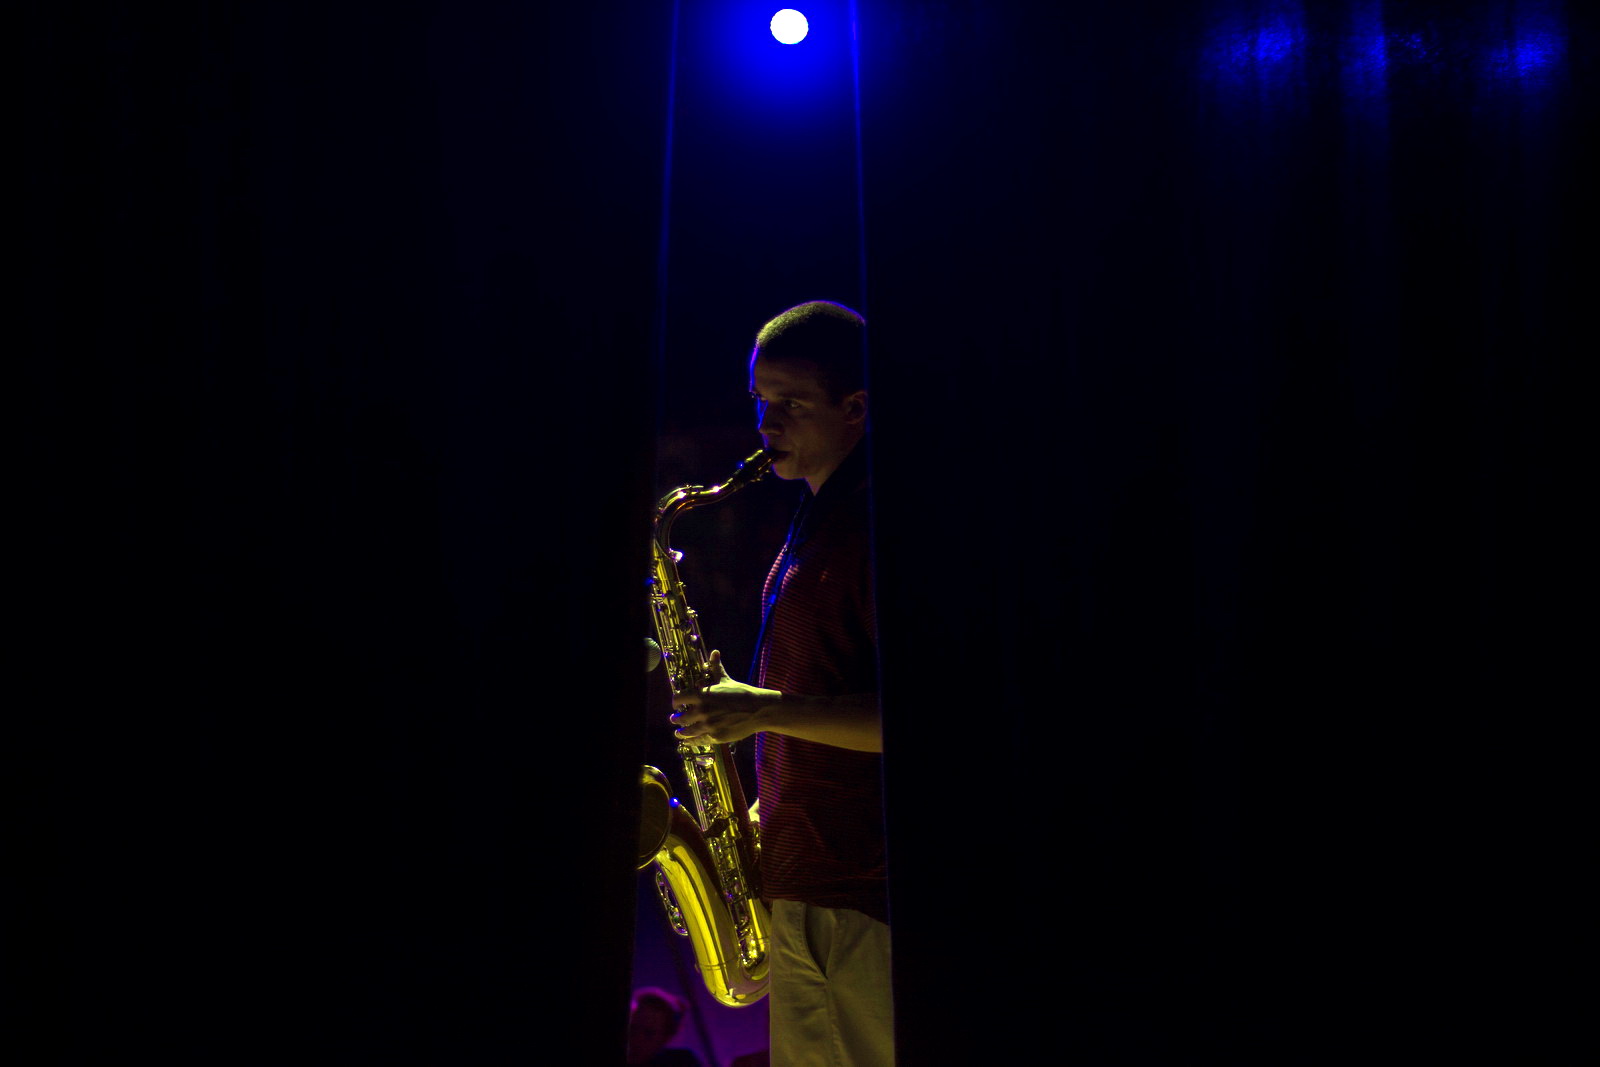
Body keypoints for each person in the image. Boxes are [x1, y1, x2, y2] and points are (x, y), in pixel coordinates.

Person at [670, 300, 893, 1066]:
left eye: (791, 405)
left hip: (856, 896)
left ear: (855, 407)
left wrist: (762, 710)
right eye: (759, 401)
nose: (766, 424)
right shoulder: (813, 520)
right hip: (809, 887)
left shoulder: (870, 530)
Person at [627, 986, 704, 1066]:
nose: (637, 1039)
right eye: (632, 1029)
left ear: (666, 1037)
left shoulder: (682, 1062)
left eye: (648, 1034)